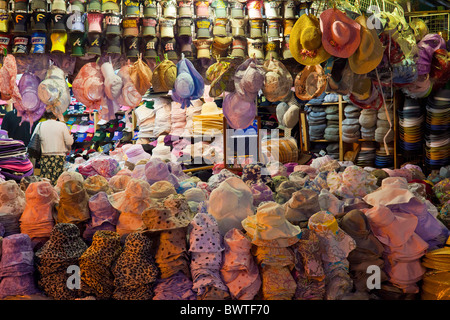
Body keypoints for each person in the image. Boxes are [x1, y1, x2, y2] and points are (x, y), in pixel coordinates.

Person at [33, 111, 74, 185]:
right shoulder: (62, 125)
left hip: (45, 157)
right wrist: (71, 136)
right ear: (56, 115)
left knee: (45, 183)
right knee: (58, 183)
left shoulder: (40, 125)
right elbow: (69, 142)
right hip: (59, 157)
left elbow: (33, 140)